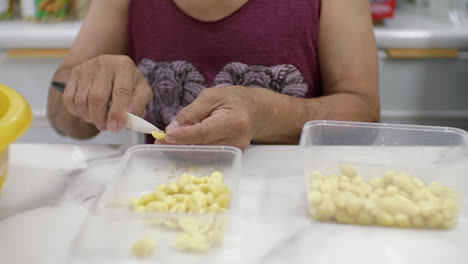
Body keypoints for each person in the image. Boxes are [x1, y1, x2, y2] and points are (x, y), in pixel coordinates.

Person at [47, 0, 379, 150]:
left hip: (290, 211)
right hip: (167, 205)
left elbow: (363, 117)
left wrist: (264, 113)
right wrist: (87, 88)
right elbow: (61, 114)